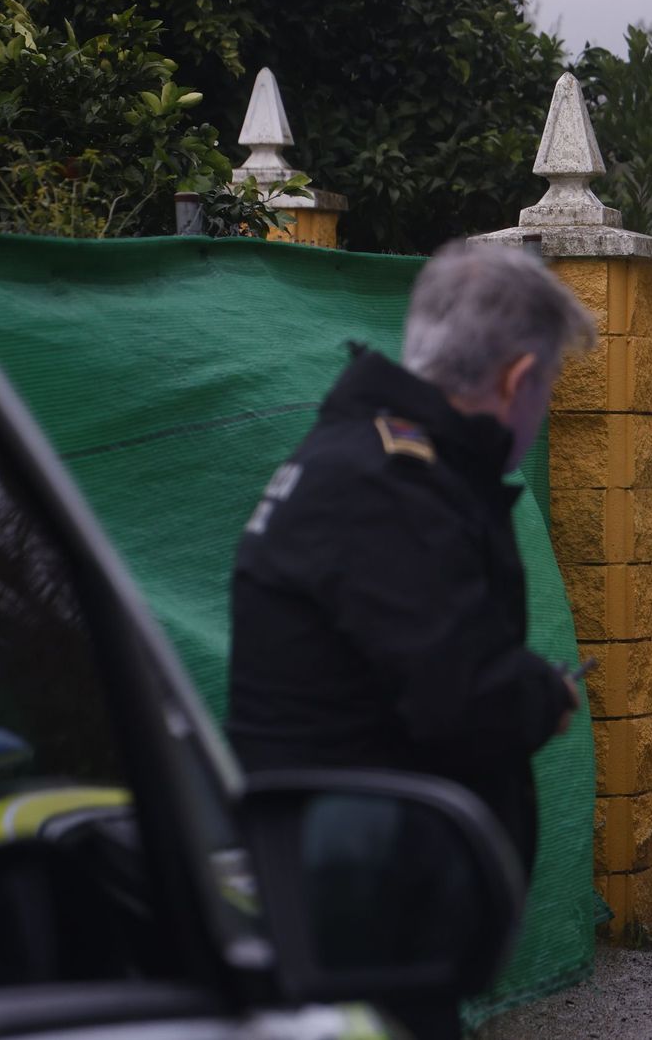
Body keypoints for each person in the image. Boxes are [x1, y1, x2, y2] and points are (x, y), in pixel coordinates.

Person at [225, 242, 594, 1039]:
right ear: (517, 380)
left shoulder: (362, 455)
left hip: (358, 884)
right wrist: (541, 692)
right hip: (352, 908)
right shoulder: (389, 481)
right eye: (550, 386)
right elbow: (459, 694)